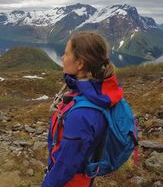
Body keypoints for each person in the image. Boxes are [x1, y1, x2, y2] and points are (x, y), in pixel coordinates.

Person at [42, 32, 124, 187]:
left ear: (80, 63)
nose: (62, 58)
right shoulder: (98, 93)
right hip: (84, 178)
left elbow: (66, 166)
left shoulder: (81, 115)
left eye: (66, 54)